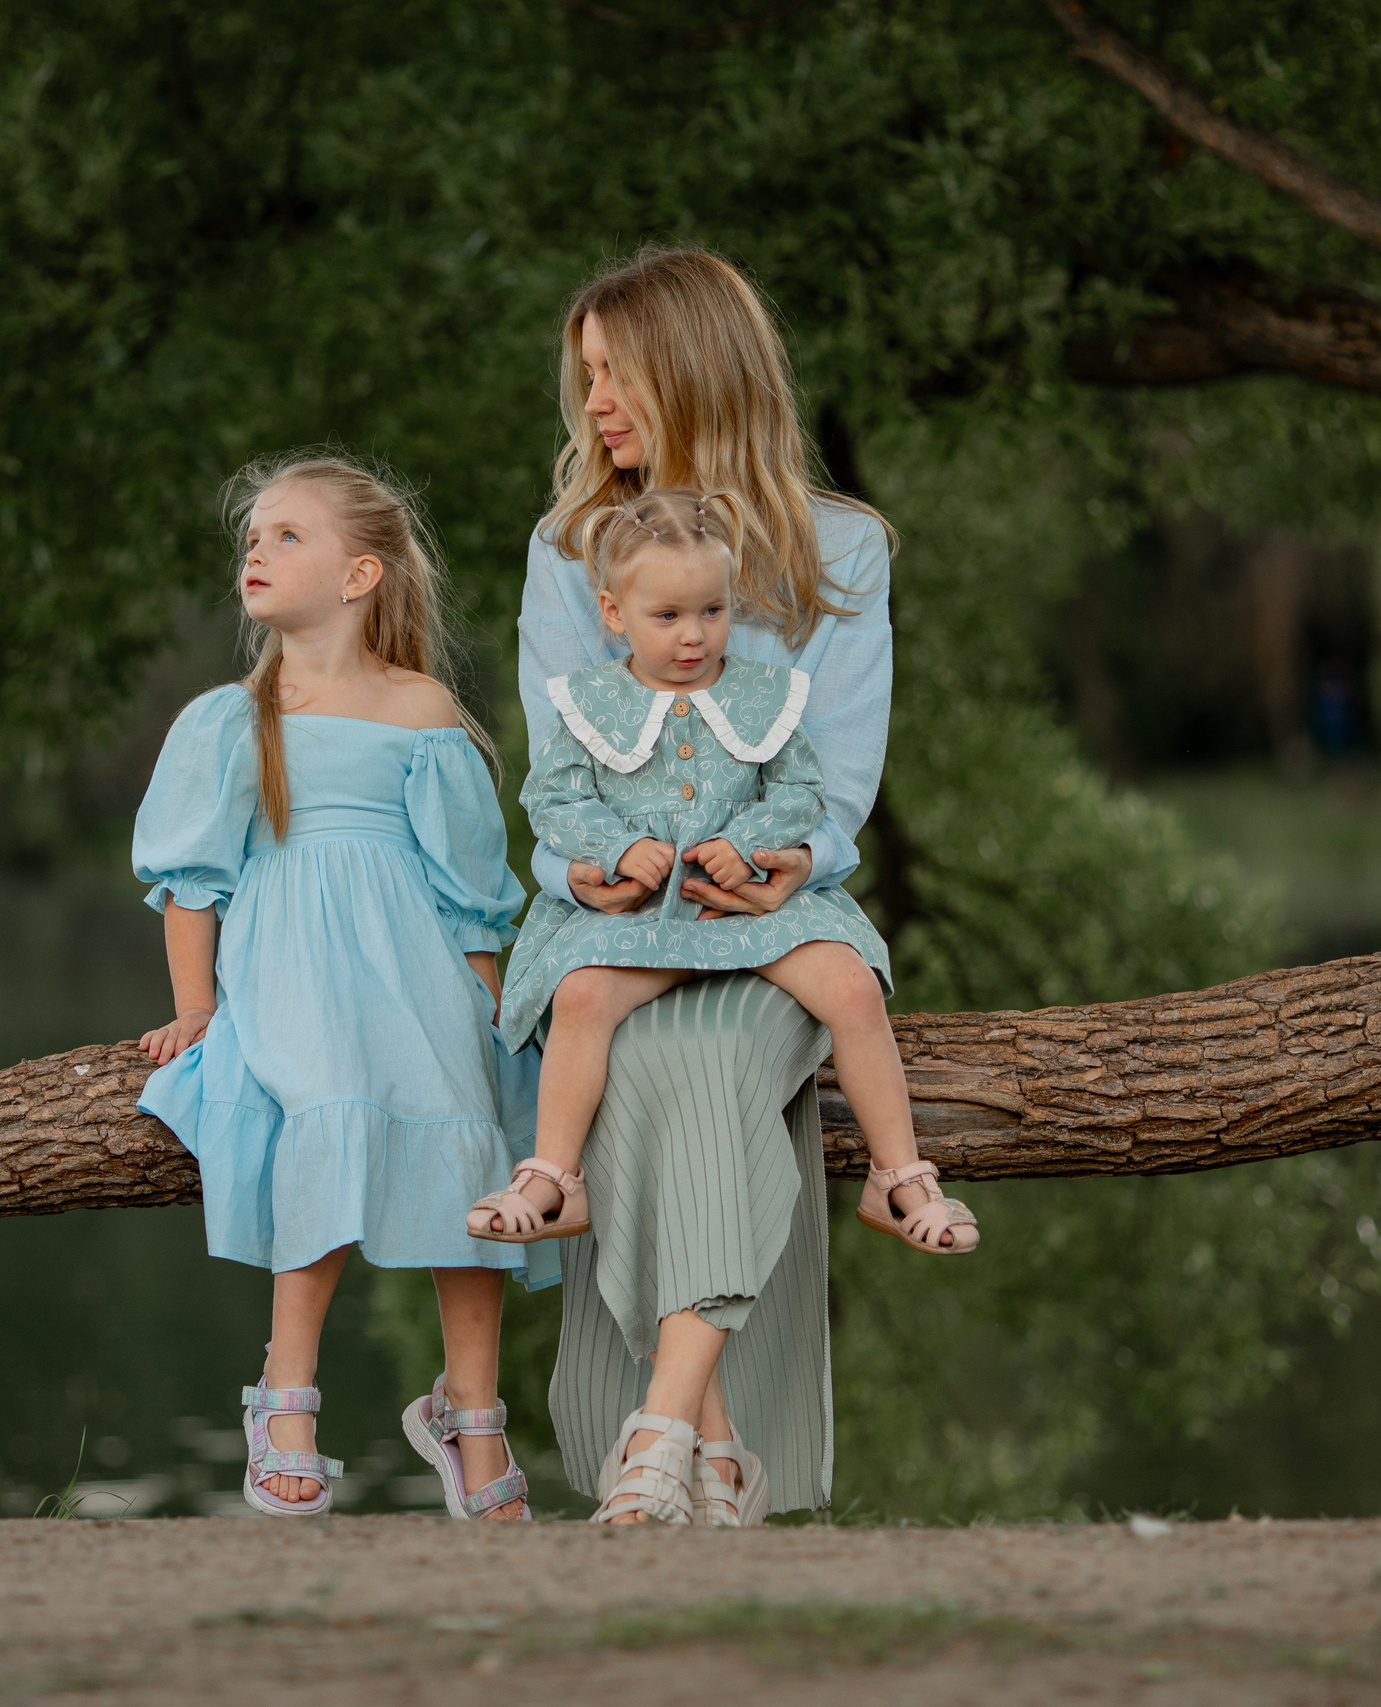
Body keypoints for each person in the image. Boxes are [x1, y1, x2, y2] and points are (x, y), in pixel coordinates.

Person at [512, 247, 972, 1528]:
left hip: (770, 913)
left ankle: (660, 1428)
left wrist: (785, 866)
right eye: (585, 375)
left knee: (709, 1061)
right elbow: (559, 773)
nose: (594, 402)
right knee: (643, 1058)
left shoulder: (842, 552)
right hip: (618, 914)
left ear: (695, 369)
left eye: (617, 373)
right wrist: (586, 876)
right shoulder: (569, 550)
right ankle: (712, 1448)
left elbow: (838, 786)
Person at [132, 452, 538, 1522]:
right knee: (327, 1104)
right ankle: (286, 1397)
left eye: (287, 534)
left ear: (360, 576)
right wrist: (196, 1010)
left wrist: (485, 1011)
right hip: (292, 967)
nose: (256, 551)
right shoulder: (235, 717)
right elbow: (191, 885)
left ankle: (471, 1410)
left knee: (465, 1129)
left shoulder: (421, 709)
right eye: (251, 537)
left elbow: (467, 896)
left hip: (415, 968)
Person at [468, 486, 975, 1314]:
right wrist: (614, 846)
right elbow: (552, 799)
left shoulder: (763, 695)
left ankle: (900, 1176)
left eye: (712, 610)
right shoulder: (590, 703)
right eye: (668, 615)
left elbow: (802, 787)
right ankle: (555, 1174)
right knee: (582, 994)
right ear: (614, 613)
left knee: (852, 986)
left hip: (744, 906)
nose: (694, 635)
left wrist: (750, 841)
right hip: (641, 913)